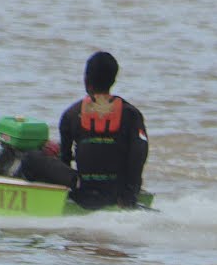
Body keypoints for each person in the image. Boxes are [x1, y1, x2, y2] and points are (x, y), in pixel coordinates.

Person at [19, 51, 149, 209]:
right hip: (119, 194)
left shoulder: (71, 114)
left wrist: (50, 154)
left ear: (86, 80)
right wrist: (130, 193)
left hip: (84, 193)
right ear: (113, 80)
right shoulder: (132, 114)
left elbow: (65, 161)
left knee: (30, 158)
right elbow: (139, 153)